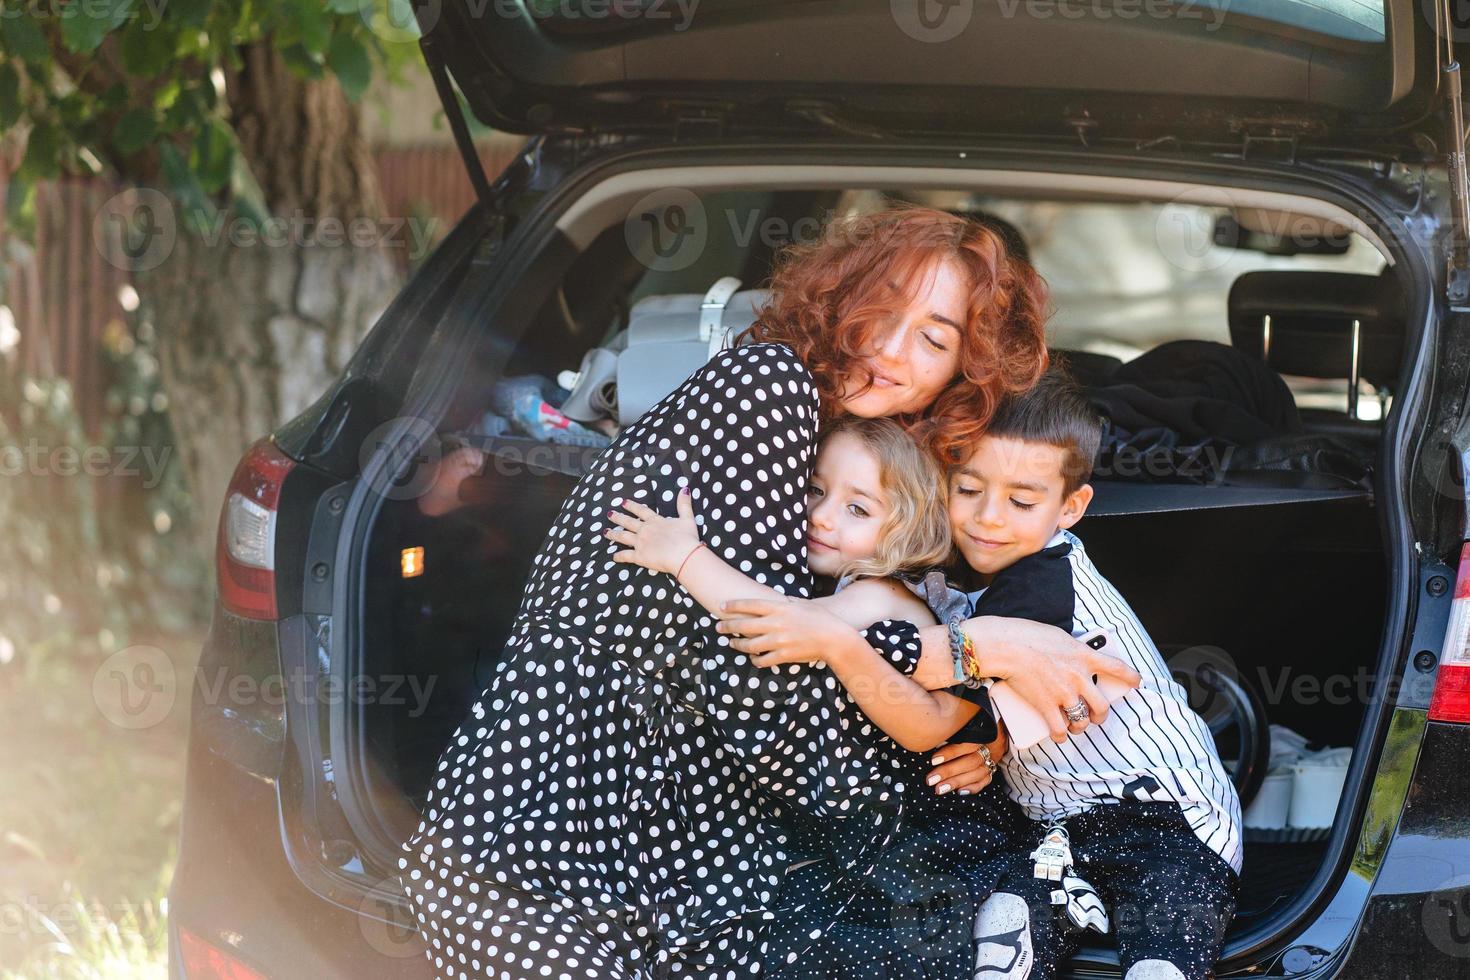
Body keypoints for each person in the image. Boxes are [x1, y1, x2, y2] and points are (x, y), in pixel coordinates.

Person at [395, 205, 1138, 979]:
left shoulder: (826, 423)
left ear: (960, 371)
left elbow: (792, 646)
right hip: (545, 833)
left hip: (639, 830)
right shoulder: (770, 387)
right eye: (885, 303)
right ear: (845, 289)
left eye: (934, 337)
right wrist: (972, 662)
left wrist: (971, 720)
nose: (890, 344)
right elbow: (762, 666)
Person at [726, 373, 1241, 979]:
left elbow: (939, 662)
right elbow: (996, 706)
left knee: (1167, 929)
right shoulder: (980, 565)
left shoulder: (1043, 585)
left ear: (1069, 509)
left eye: (1021, 503)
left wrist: (836, 636)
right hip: (1056, 826)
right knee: (1010, 920)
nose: (987, 519)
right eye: (967, 489)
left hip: (1167, 816)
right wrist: (992, 743)